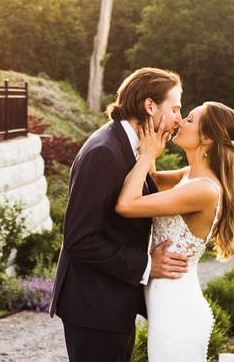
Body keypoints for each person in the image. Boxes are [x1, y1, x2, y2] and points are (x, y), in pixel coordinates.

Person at [49, 67, 190, 362]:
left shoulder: (130, 146)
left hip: (112, 302)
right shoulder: (105, 151)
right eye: (175, 108)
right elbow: (80, 238)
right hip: (94, 307)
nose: (179, 117)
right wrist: (147, 265)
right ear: (150, 105)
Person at [115, 101, 234, 361]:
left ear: (206, 137)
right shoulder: (189, 176)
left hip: (177, 314)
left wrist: (149, 155)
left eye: (190, 119)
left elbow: (126, 204)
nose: (181, 121)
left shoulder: (203, 190)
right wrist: (154, 139)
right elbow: (149, 181)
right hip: (168, 307)